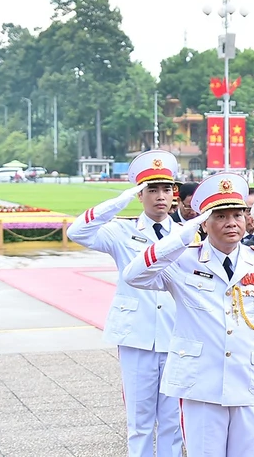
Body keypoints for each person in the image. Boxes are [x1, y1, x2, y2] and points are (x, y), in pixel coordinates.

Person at [123, 173, 254, 457]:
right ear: (204, 222)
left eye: (237, 215)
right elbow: (134, 276)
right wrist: (179, 237)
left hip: (249, 380)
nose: (231, 223)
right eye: (220, 216)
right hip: (201, 384)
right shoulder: (183, 260)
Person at [67, 150, 184, 457]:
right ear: (139, 194)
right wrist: (119, 201)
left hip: (177, 337)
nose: (160, 197)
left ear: (175, 194)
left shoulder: (188, 235)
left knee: (173, 422)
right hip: (137, 336)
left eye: (166, 189)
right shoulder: (122, 231)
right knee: (140, 422)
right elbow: (77, 232)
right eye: (152, 190)